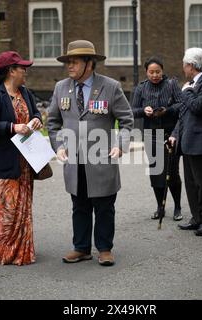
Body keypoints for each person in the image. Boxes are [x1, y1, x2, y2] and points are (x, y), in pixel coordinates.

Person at [47, 40, 134, 267]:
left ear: (89, 63)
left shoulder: (111, 86)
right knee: (80, 206)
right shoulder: (61, 88)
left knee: (104, 206)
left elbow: (126, 120)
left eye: (74, 62)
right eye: (68, 62)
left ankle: (104, 249)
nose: (69, 66)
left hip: (101, 158)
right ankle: (81, 248)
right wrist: (59, 145)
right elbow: (53, 122)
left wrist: (121, 145)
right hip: (74, 161)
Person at [0, 51, 43, 266]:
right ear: (10, 71)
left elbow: (36, 113)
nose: (25, 71)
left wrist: (36, 120)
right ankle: (3, 252)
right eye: (22, 68)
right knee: (6, 210)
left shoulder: (25, 92)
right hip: (4, 162)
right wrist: (12, 127)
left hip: (26, 162)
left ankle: (22, 252)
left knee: (23, 209)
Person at [169, 48, 202, 237]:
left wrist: (186, 92)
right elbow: (183, 113)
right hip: (187, 141)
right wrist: (174, 133)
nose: (183, 68)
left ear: (192, 66)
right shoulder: (190, 84)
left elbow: (197, 107)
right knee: (191, 183)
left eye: (185, 65)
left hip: (200, 142)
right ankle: (197, 217)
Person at [131, 56, 183, 221]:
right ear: (146, 72)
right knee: (156, 172)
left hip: (170, 134)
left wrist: (166, 110)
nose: (155, 75)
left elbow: (181, 105)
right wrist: (143, 110)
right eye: (151, 72)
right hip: (151, 134)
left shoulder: (172, 84)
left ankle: (177, 206)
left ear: (163, 71)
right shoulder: (141, 88)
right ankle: (160, 207)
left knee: (172, 172)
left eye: (158, 72)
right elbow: (133, 110)